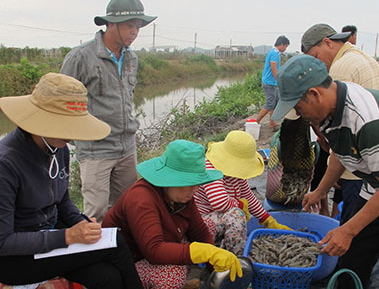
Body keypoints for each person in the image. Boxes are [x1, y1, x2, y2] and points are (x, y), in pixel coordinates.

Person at [274, 54, 379, 289]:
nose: (298, 113)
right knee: (352, 257)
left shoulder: (365, 120)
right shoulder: (330, 109)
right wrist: (320, 191)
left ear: (314, 94)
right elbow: (340, 155)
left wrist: (347, 231)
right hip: (377, 181)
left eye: (297, 106)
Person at [0, 73, 143, 289]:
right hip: (16, 257)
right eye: (66, 127)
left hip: (50, 234)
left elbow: (62, 200)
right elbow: (4, 241)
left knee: (107, 277)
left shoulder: (58, 149)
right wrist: (67, 236)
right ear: (42, 121)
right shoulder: (6, 164)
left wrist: (80, 222)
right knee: (117, 245)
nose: (71, 136)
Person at [60, 0, 157, 222]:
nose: (135, 32)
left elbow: (128, 99)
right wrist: (79, 139)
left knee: (129, 207)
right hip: (96, 151)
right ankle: (94, 256)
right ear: (111, 23)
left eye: (138, 27)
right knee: (96, 214)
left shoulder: (131, 58)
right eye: (130, 25)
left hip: (126, 148)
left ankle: (124, 254)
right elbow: (61, 102)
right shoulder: (81, 57)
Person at [102, 140, 242, 289]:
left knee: (208, 228)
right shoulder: (141, 199)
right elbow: (154, 251)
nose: (195, 189)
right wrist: (202, 252)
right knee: (172, 275)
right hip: (131, 263)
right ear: (170, 179)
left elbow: (199, 232)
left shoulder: (181, 194)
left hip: (165, 240)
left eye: (198, 183)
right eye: (190, 183)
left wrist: (214, 268)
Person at [299, 23, 379, 223]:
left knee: (353, 224)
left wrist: (329, 179)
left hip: (361, 164)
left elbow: (341, 132)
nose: (317, 64)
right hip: (377, 156)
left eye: (315, 57)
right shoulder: (360, 56)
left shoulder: (341, 68)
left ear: (327, 43)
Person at [194, 130, 292, 255]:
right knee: (237, 215)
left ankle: (225, 247)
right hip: (201, 225)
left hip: (219, 222)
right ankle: (236, 257)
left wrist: (268, 220)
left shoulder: (237, 173)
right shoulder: (211, 168)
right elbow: (220, 202)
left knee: (238, 213)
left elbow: (248, 197)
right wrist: (240, 205)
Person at [256, 35, 290, 130]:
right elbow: (273, 68)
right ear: (282, 45)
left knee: (275, 103)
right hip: (269, 82)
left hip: (271, 82)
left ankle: (272, 123)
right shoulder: (275, 53)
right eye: (286, 46)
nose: (285, 48)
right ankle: (256, 122)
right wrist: (278, 80)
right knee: (270, 104)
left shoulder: (274, 52)